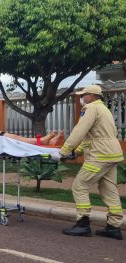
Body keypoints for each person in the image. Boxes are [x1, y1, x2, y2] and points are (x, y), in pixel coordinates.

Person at [50, 85, 123, 240]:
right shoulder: (104, 109)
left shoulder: (90, 108)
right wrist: (76, 152)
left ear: (90, 95)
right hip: (112, 154)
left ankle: (83, 224)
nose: (81, 98)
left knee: (79, 186)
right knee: (109, 189)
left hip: (99, 155)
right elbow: (92, 136)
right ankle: (114, 227)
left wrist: (63, 151)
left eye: (83, 95)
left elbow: (80, 131)